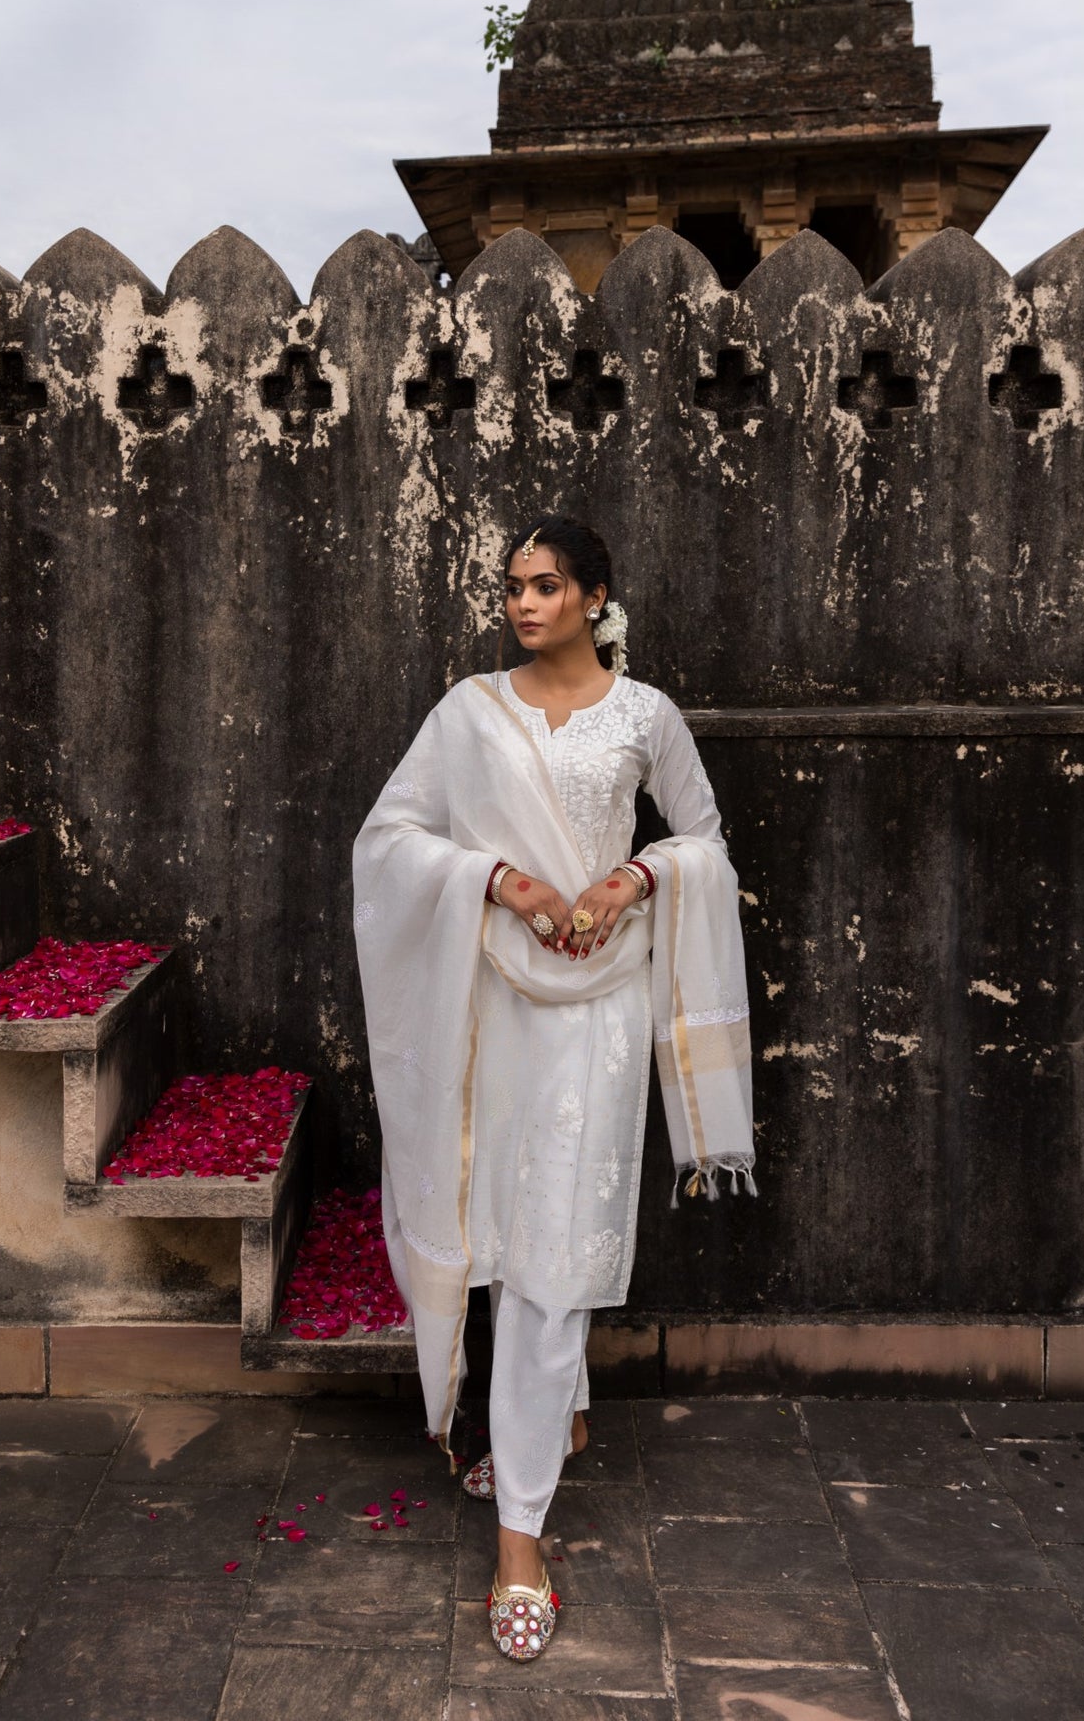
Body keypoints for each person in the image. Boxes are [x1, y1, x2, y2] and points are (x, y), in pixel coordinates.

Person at [354, 515, 754, 1664]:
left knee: (556, 1251)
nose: (522, 604)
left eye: (544, 585)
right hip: (492, 1000)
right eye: (513, 586)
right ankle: (545, 1419)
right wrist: (502, 878)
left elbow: (706, 841)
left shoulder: (647, 715)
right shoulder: (467, 710)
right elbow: (387, 839)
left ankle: (518, 1535)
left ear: (595, 596)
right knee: (499, 1229)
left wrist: (633, 876)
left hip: (606, 1010)